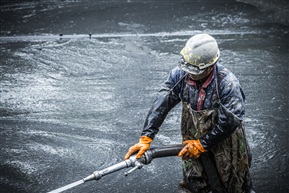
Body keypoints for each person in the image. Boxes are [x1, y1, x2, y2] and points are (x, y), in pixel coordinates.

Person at [124, 34, 252, 193]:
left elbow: (230, 122)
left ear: (210, 65)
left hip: (225, 140)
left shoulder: (227, 84)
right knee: (193, 183)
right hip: (191, 140)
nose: (189, 73)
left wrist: (203, 144)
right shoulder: (179, 75)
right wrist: (147, 136)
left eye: (194, 70)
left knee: (233, 184)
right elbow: (163, 102)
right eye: (187, 67)